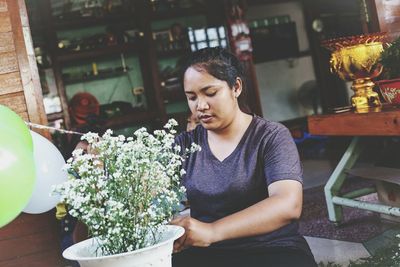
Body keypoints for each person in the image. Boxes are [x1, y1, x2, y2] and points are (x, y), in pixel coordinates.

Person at [171, 47, 317, 267]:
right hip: (207, 252)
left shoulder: (270, 137)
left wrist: (212, 231)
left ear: (236, 87)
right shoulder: (184, 145)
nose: (200, 106)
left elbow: (288, 204)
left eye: (210, 93)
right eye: (191, 97)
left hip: (272, 249)